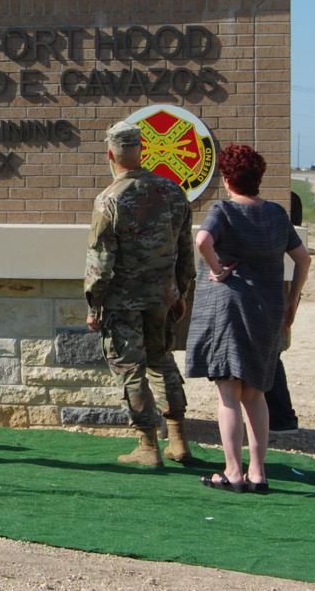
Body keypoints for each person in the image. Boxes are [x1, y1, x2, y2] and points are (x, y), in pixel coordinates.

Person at [187, 144, 310, 493]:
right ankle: (258, 473)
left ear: (227, 179)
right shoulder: (275, 213)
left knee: (228, 394)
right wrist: (293, 301)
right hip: (268, 309)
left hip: (229, 311)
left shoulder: (223, 210)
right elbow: (304, 259)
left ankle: (232, 472)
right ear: (259, 177)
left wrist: (219, 271)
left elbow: (202, 240)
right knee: (255, 393)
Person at [84, 121, 196, 467]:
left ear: (109, 154)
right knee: (162, 361)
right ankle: (179, 440)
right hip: (163, 297)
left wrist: (94, 304)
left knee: (130, 369)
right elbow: (185, 252)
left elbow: (100, 263)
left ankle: (148, 446)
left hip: (122, 301)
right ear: (141, 151)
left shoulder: (109, 200)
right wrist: (179, 292)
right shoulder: (173, 192)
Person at [267, 191, 305, 434]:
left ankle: (282, 417)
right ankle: (280, 416)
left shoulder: (284, 204)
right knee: (272, 357)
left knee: (271, 358)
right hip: (282, 290)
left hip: (279, 291)